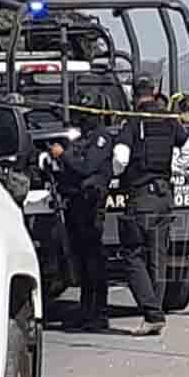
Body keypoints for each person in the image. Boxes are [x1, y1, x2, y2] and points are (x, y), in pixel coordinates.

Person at [113, 74, 189, 336]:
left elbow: (120, 157)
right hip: (164, 197)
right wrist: (174, 167)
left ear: (134, 96)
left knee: (132, 255)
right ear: (155, 91)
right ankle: (154, 315)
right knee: (158, 257)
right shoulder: (169, 119)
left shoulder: (133, 121)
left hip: (142, 197)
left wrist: (116, 174)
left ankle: (152, 313)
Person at [49, 96, 113, 331]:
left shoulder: (101, 138)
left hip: (91, 204)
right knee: (82, 261)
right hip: (77, 204)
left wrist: (63, 155)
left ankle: (99, 313)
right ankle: (86, 310)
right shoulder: (81, 139)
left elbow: (86, 167)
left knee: (94, 261)